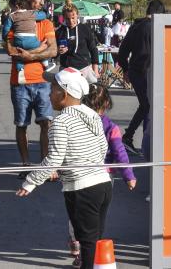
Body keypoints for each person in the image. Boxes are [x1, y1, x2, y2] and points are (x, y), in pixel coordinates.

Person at [16, 68, 110, 269]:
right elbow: (103, 147)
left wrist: (31, 181)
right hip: (103, 184)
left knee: (86, 242)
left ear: (64, 94)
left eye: (53, 88)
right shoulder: (93, 116)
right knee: (94, 239)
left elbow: (54, 159)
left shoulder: (60, 122)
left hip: (81, 187)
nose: (49, 93)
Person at [65, 83, 136, 266]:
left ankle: (77, 242)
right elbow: (120, 152)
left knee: (77, 216)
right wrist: (129, 175)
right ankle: (88, 250)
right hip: (103, 178)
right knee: (96, 218)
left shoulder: (73, 122)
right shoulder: (111, 127)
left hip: (78, 175)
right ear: (106, 104)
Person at [5, 0, 57, 167]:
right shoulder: (16, 19)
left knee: (46, 124)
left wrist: (30, 55)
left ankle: (45, 164)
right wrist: (33, 53)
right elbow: (10, 48)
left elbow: (53, 51)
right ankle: (26, 163)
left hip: (42, 81)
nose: (41, 2)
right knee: (21, 124)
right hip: (19, 83)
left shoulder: (46, 22)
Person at [118, 0, 165, 155]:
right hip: (150, 72)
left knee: (146, 106)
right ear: (161, 14)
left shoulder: (135, 27)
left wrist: (125, 70)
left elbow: (122, 53)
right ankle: (144, 143)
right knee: (149, 107)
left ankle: (133, 137)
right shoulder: (157, 28)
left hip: (135, 72)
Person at [3, 0, 49, 83]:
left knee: (19, 55)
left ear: (16, 6)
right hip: (31, 40)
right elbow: (43, 15)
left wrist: (6, 38)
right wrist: (44, 12)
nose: (11, 10)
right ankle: (45, 63)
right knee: (41, 47)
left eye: (11, 8)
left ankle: (20, 70)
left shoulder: (12, 16)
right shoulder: (31, 13)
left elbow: (6, 30)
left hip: (18, 40)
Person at [56, 3, 99, 82]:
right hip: (66, 70)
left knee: (88, 93)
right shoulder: (60, 31)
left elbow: (93, 49)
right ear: (64, 18)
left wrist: (95, 69)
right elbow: (53, 52)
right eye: (67, 19)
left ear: (77, 15)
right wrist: (58, 50)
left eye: (73, 18)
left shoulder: (85, 29)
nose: (71, 21)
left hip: (84, 69)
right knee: (67, 94)